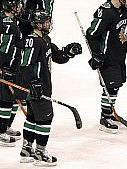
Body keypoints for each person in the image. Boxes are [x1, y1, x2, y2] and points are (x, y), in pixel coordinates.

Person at [18, 9, 82, 166]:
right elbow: (25, 65)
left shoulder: (45, 39)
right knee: (45, 118)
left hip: (38, 86)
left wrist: (68, 52)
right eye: (46, 21)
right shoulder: (33, 41)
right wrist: (34, 83)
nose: (49, 24)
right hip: (36, 88)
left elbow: (57, 56)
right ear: (38, 24)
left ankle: (27, 150)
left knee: (32, 118)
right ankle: (40, 153)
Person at [86, 0, 127, 134]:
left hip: (120, 55)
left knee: (116, 86)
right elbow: (92, 33)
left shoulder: (126, 11)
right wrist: (96, 54)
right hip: (107, 57)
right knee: (110, 87)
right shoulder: (106, 11)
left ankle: (110, 111)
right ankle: (105, 117)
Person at [0, 0, 23, 146]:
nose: (20, 7)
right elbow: (4, 50)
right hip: (7, 68)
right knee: (5, 101)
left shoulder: (4, 18)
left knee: (13, 99)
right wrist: (6, 68)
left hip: (9, 67)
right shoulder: (10, 26)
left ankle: (5, 126)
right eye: (17, 4)